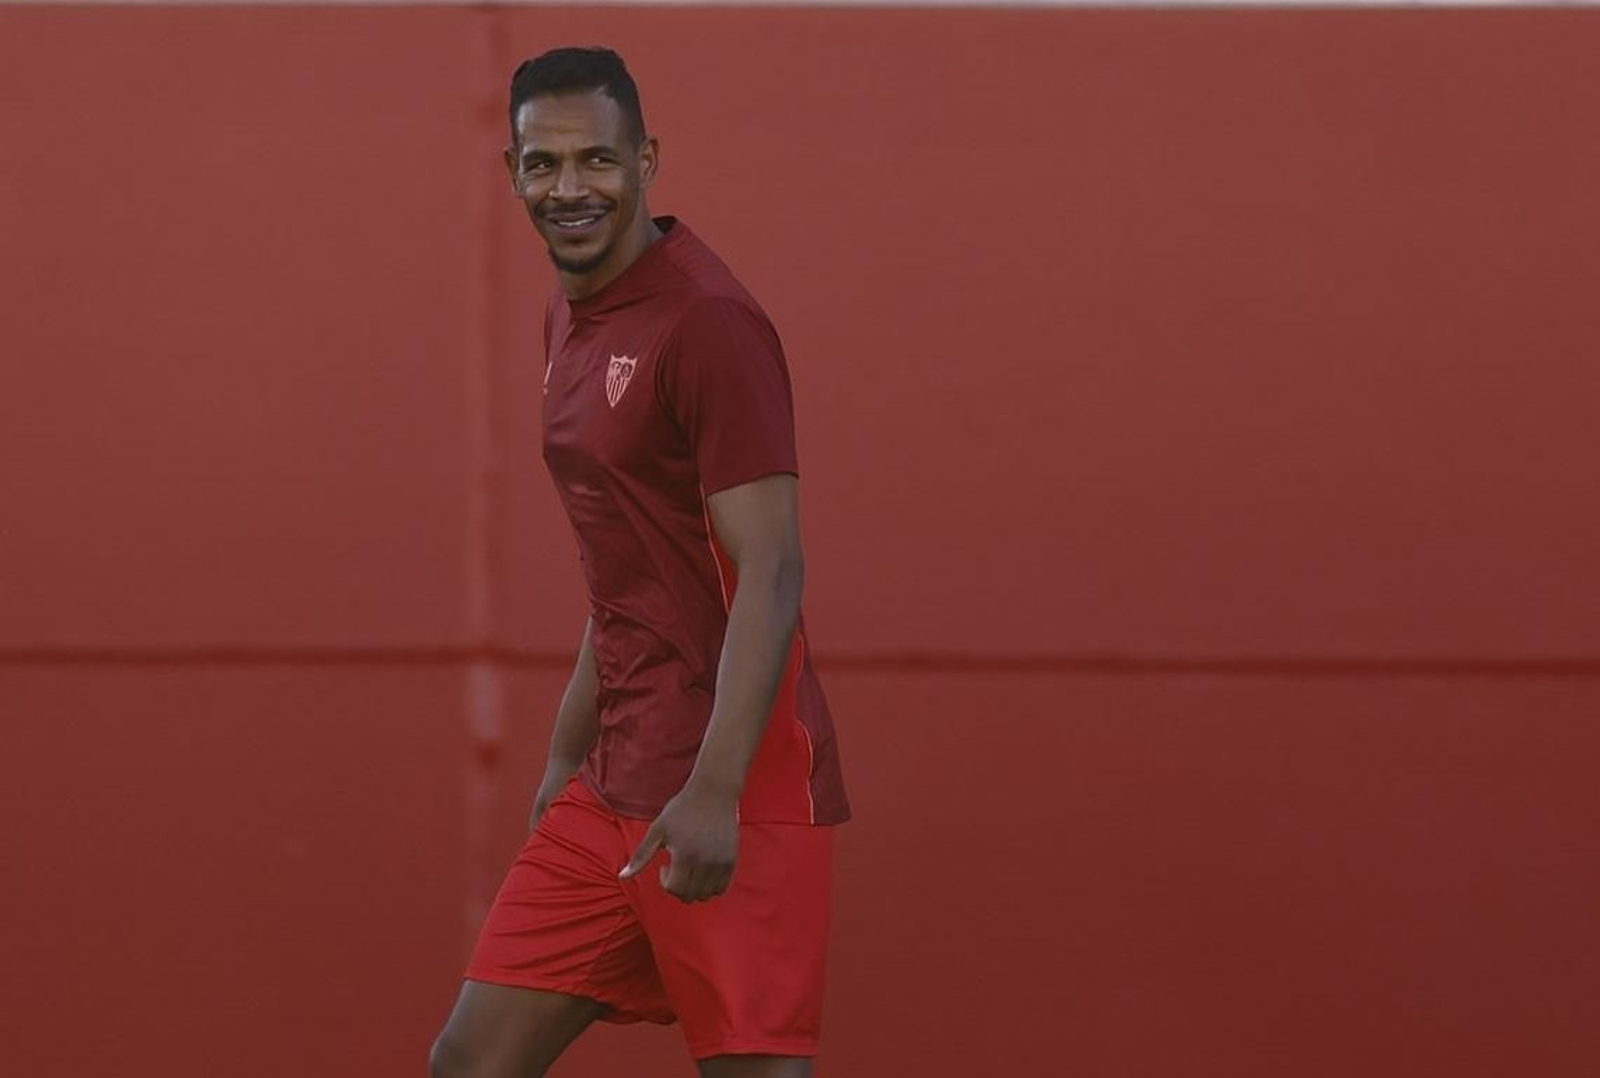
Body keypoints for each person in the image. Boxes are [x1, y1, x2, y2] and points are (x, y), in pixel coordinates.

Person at [430, 47, 850, 1078]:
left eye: (596, 161)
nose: (569, 188)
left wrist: (711, 788)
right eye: (542, 164)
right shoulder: (566, 316)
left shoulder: (708, 324)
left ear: (645, 160)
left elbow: (773, 570)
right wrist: (566, 753)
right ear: (512, 170)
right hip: (614, 780)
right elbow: (628, 561)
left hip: (730, 785)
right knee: (470, 1063)